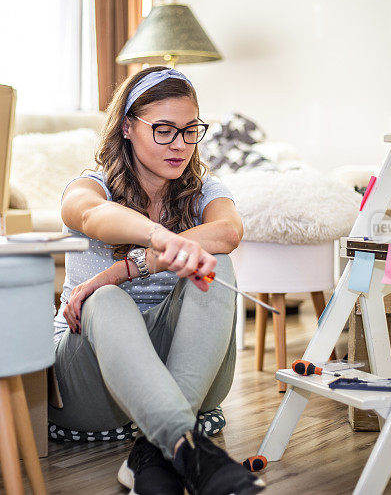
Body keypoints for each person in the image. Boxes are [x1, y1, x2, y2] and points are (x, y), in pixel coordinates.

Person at [51, 66, 265, 495]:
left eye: (190, 131)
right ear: (128, 126)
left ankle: (158, 447)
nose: (180, 145)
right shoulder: (89, 187)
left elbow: (228, 233)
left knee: (215, 264)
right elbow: (92, 215)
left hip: (186, 373)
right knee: (106, 298)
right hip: (91, 386)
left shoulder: (206, 189)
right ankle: (187, 449)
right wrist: (157, 236)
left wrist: (133, 265)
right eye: (164, 130)